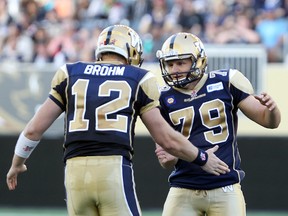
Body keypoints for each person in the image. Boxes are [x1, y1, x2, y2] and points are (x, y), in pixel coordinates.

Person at [6, 25, 230, 216]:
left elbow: (34, 130)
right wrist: (201, 158)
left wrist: (17, 163)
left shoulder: (70, 72)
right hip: (112, 169)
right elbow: (166, 138)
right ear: (131, 51)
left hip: (73, 173)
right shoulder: (138, 77)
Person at [155, 32, 281, 216]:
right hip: (183, 187)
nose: (174, 69)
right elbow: (166, 161)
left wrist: (272, 110)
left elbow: (269, 122)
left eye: (181, 62)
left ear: (198, 61)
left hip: (225, 186)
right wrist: (169, 156)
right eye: (170, 64)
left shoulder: (226, 82)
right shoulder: (162, 97)